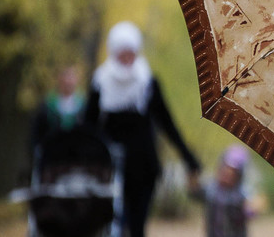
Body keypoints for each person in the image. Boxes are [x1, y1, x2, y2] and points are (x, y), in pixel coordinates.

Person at [84, 21, 201, 237]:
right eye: (123, 54)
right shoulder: (100, 82)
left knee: (137, 227)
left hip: (143, 167)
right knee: (114, 226)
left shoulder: (147, 82)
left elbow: (167, 123)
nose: (128, 59)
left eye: (131, 53)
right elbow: (88, 127)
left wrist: (188, 157)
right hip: (109, 168)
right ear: (114, 53)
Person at [190, 144, 263, 237]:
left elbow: (250, 210)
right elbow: (195, 193)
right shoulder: (211, 189)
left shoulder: (242, 194)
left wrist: (253, 208)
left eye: (232, 173)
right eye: (225, 170)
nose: (227, 175)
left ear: (239, 176)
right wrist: (192, 179)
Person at [30, 64, 86, 151]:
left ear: (76, 79)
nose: (68, 81)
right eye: (65, 75)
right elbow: (37, 132)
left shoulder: (83, 105)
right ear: (59, 78)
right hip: (52, 153)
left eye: (71, 76)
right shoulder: (47, 104)